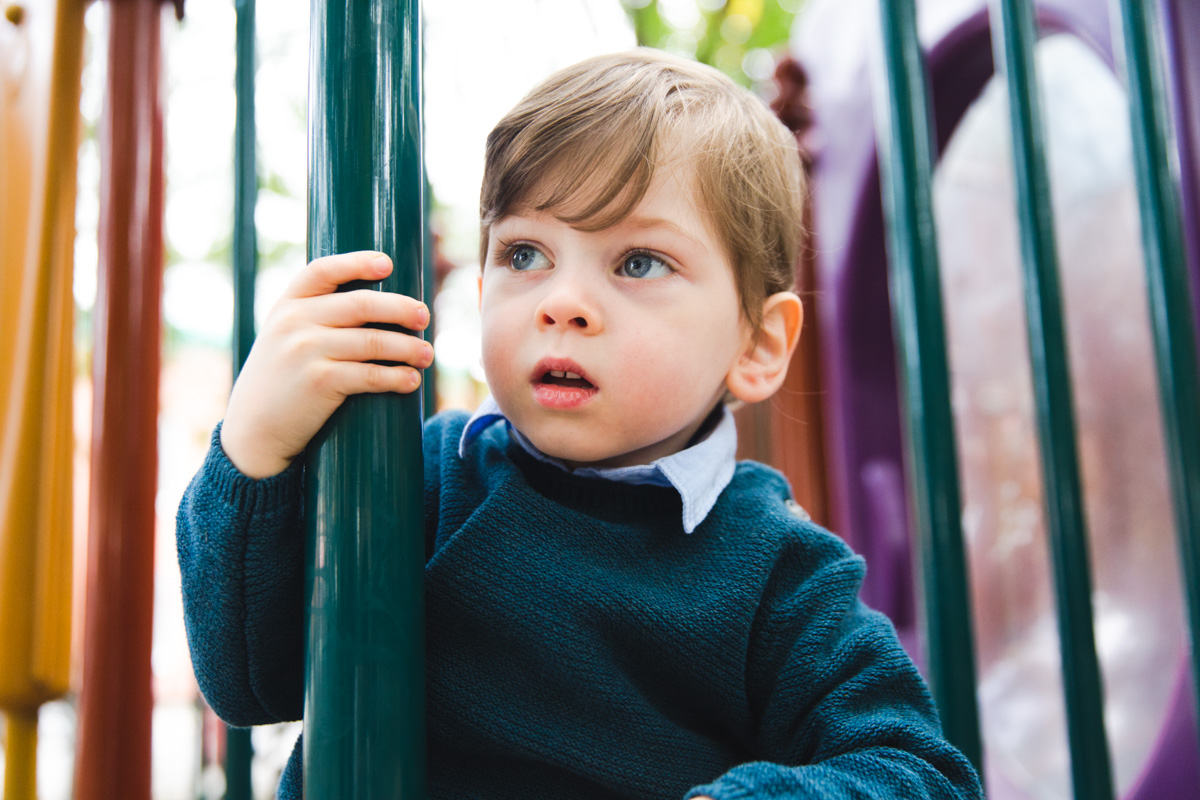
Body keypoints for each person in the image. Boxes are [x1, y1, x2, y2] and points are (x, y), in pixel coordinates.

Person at [177, 49, 982, 799]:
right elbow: (252, 680)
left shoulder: (776, 573)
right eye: (526, 253)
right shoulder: (416, 475)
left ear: (758, 344)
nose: (561, 302)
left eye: (638, 263)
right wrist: (254, 448)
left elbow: (917, 771)